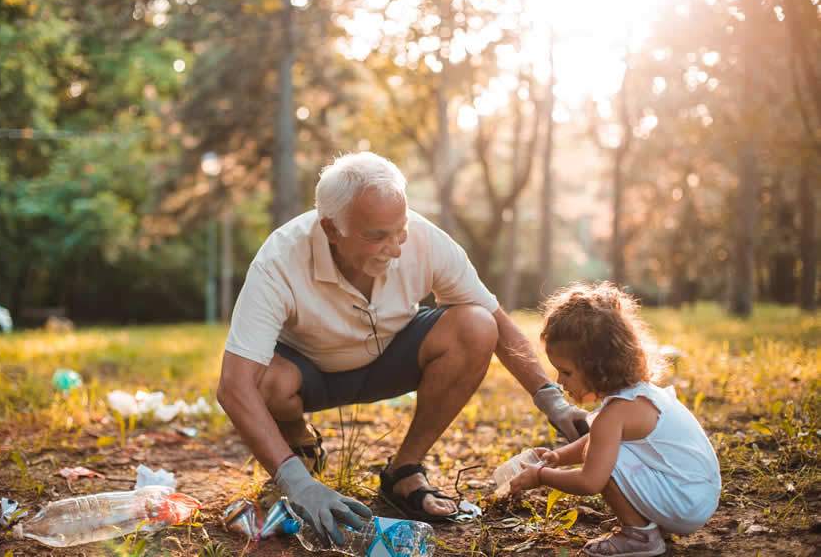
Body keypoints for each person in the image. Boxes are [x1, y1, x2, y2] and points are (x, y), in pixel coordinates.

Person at [216, 152, 588, 544]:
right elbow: (234, 386)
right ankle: (300, 445)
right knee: (263, 381)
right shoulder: (280, 259)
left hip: (390, 359)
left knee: (477, 325)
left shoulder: (425, 240)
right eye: (376, 236)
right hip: (309, 374)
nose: (395, 248)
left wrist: (554, 402)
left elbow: (498, 322)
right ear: (331, 229)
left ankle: (404, 470)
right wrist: (297, 483)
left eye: (401, 230)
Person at [509, 283, 721, 557]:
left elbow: (590, 482)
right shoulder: (639, 395)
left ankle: (640, 537)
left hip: (684, 503)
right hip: (696, 494)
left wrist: (541, 476)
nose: (560, 381)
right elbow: (595, 441)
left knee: (603, 463)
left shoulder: (613, 416)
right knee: (604, 451)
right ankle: (648, 522)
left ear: (597, 368)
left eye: (566, 372)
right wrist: (558, 457)